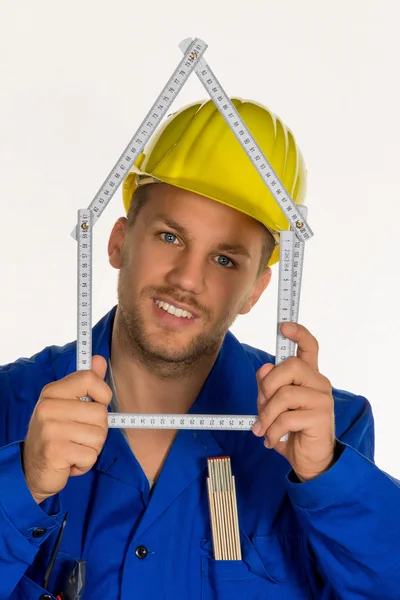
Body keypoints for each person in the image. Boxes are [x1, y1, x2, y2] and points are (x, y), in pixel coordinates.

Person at [0, 97, 399, 600]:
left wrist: (327, 480)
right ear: (119, 241)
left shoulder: (330, 434)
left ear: (256, 289)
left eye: (226, 260)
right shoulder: (9, 403)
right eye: (169, 236)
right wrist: (24, 486)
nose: (187, 279)